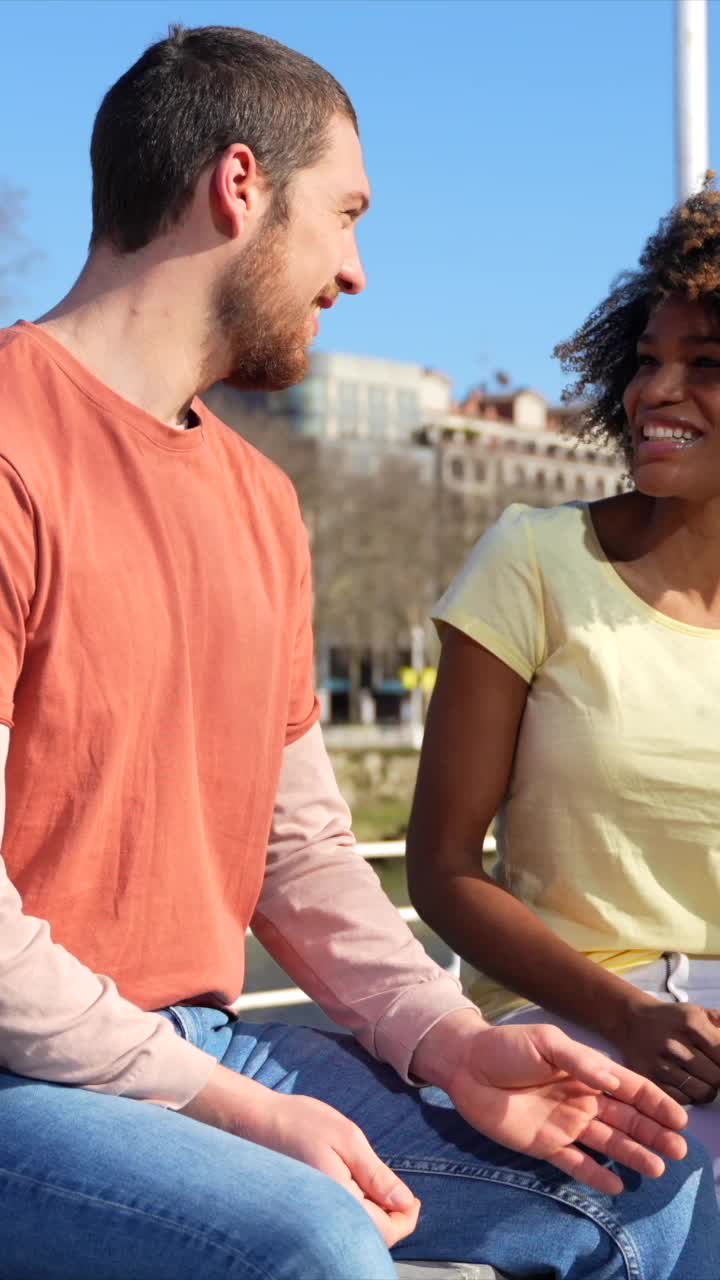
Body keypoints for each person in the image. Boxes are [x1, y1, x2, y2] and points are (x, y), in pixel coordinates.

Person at [0, 25, 716, 1280]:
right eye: (345, 214)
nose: (359, 270)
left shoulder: (262, 503)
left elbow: (306, 853)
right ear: (240, 187)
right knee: (311, 1239)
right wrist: (224, 1106)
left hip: (202, 1040)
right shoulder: (13, 445)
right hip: (27, 1069)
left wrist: (449, 1040)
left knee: (633, 1183)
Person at [406, 181, 720, 1207]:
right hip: (584, 1025)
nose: (655, 393)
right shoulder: (534, 559)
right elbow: (443, 869)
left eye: (705, 366)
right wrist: (629, 1018)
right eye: (647, 360)